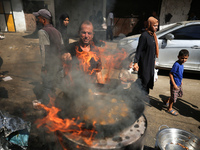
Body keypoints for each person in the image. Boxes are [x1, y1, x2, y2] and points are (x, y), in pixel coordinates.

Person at [33, 9, 64, 105]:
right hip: (58, 63)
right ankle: (53, 101)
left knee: (47, 85)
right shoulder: (57, 32)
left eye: (38, 17)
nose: (37, 19)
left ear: (43, 19)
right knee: (53, 84)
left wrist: (44, 66)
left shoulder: (42, 31)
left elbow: (44, 51)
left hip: (50, 64)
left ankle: (46, 104)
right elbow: (62, 47)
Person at [131, 16, 159, 94]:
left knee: (148, 80)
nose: (156, 27)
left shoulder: (153, 35)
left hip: (150, 62)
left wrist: (154, 60)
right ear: (150, 24)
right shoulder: (144, 36)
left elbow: (153, 50)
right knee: (144, 80)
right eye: (154, 25)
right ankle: (137, 95)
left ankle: (143, 96)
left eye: (157, 26)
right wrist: (136, 62)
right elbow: (139, 50)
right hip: (144, 63)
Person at [164, 49, 189, 116]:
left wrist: (181, 81)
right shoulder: (176, 64)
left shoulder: (182, 64)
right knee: (173, 97)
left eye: (186, 58)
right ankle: (169, 108)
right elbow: (171, 74)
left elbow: (180, 74)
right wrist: (174, 84)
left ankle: (167, 101)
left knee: (176, 95)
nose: (184, 60)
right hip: (174, 84)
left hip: (178, 83)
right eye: (182, 58)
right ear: (178, 57)